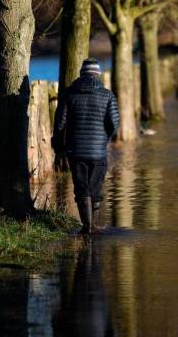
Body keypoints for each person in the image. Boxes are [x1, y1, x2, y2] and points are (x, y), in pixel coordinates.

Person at [52, 58, 119, 234]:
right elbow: (114, 122)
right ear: (97, 75)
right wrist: (104, 139)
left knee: (82, 189)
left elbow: (60, 123)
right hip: (98, 153)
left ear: (81, 74)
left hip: (75, 151)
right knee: (95, 189)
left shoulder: (69, 93)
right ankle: (93, 227)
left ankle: (87, 227)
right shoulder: (107, 95)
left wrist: (58, 147)